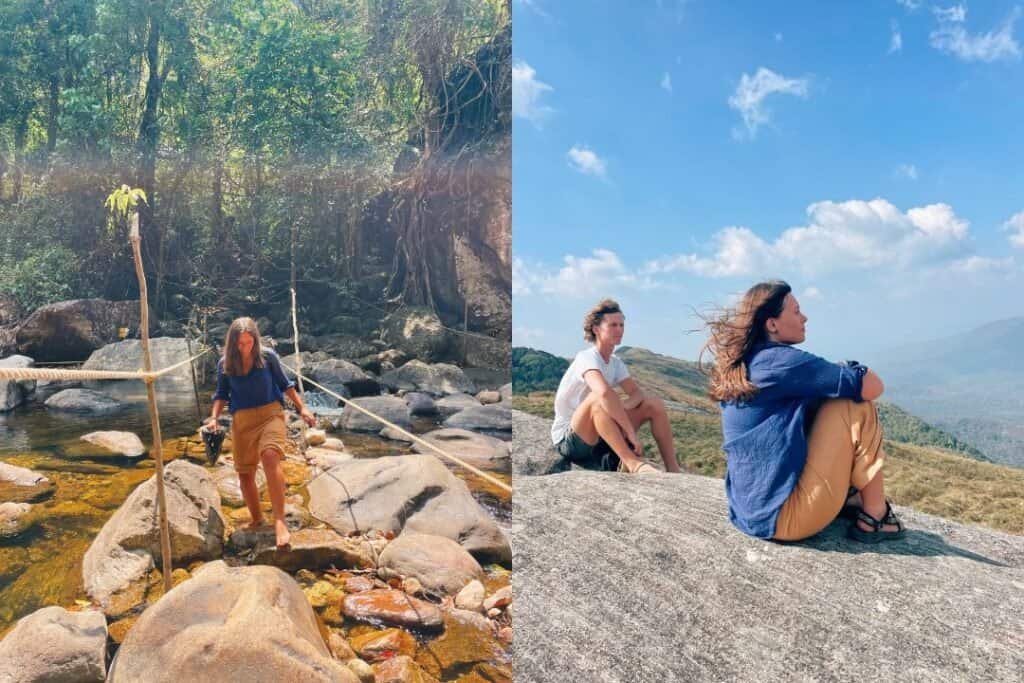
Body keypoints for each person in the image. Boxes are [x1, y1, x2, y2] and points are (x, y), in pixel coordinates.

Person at [702, 280, 904, 543]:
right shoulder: (781, 362)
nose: (804, 317)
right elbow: (873, 387)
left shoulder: (750, 362)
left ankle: (849, 497)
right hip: (785, 518)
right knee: (855, 404)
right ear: (772, 324)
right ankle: (876, 516)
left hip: (751, 513)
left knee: (824, 401)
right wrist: (852, 367)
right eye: (796, 311)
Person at [205, 317, 316, 549]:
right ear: (233, 343)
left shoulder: (268, 357)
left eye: (249, 342)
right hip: (242, 420)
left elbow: (286, 385)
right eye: (241, 344)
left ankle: (279, 521)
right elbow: (221, 394)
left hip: (271, 414)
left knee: (270, 455)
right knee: (245, 474)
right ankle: (257, 519)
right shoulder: (225, 363)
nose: (245, 348)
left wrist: (302, 408)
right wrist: (214, 418)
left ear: (255, 340)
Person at [550, 298, 681, 474]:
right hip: (571, 439)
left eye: (621, 325)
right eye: (613, 325)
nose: (619, 329)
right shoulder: (586, 357)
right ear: (596, 329)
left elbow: (636, 393)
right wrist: (630, 432)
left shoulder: (616, 363)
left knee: (654, 404)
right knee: (598, 398)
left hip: (602, 433)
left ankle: (673, 469)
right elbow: (603, 393)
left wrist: (620, 409)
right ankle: (632, 463)